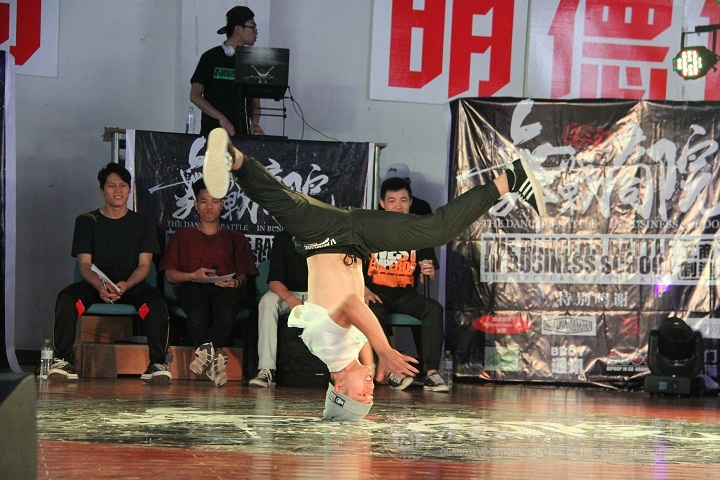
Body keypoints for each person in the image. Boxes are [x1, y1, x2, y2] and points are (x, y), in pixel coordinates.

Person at [202, 127, 546, 420]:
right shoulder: (345, 355)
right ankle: (510, 178)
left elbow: (352, 305)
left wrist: (386, 352)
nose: (370, 391)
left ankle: (232, 156)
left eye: (361, 395)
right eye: (370, 396)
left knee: (278, 200)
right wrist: (376, 365)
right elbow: (360, 341)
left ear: (339, 388)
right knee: (435, 231)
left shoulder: (326, 347)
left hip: (322, 235)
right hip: (356, 241)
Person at [49, 163, 171, 385]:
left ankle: (158, 364)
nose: (118, 190)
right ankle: (63, 361)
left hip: (131, 285)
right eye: (111, 185)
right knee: (66, 299)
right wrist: (99, 286)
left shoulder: (143, 223)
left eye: (123, 185)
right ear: (102, 190)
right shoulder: (86, 221)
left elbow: (145, 265)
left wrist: (127, 284)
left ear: (129, 190)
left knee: (157, 304)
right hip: (95, 285)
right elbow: (84, 264)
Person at [159, 179, 257, 387]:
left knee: (226, 308)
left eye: (215, 201)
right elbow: (170, 275)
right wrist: (193, 275)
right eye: (204, 201)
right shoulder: (182, 237)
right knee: (197, 310)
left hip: (225, 288)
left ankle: (205, 353)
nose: (209, 207)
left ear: (222, 205)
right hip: (192, 286)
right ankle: (216, 356)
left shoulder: (235, 238)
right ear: (196, 205)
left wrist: (235, 283)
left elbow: (244, 275)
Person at [364, 176, 449, 392]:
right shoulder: (369, 231)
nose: (398, 206)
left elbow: (426, 276)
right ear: (382, 204)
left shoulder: (419, 232)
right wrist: (363, 290)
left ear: (410, 202)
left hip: (406, 295)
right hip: (376, 293)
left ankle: (431, 373)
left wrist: (427, 274)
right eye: (392, 201)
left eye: (403, 200)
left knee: (433, 309)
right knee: (372, 311)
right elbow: (352, 266)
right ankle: (390, 370)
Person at [190, 6, 264, 137]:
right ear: (238, 29)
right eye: (252, 27)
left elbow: (255, 103)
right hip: (212, 134)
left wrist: (255, 123)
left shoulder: (251, 62)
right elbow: (195, 96)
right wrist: (221, 117)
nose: (256, 32)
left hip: (241, 137)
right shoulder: (210, 57)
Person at [250, 229, 309, 388]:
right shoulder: (283, 238)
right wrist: (291, 299)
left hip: (319, 294)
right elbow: (274, 282)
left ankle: (338, 371)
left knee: (343, 303)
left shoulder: (325, 235)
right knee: (267, 301)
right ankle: (266, 369)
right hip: (289, 294)